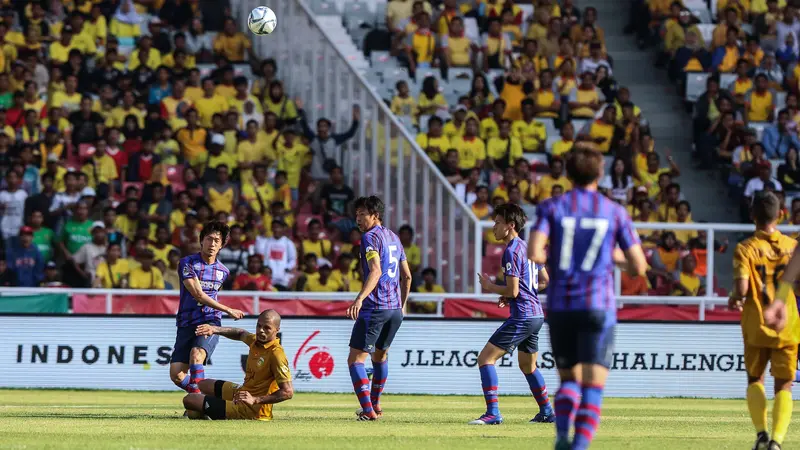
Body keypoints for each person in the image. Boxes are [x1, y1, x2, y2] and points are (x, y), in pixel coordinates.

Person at [528, 148, 647, 450]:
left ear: (567, 174)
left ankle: (561, 437)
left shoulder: (552, 207)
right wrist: (610, 257)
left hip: (561, 305)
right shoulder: (614, 212)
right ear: (600, 173)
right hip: (598, 305)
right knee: (593, 385)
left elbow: (534, 252)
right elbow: (639, 266)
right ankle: (579, 446)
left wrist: (557, 255)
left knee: (568, 381)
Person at [469, 203, 553, 425]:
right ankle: (546, 411)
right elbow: (544, 281)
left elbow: (513, 290)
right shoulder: (528, 248)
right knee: (528, 366)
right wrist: (516, 293)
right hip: (536, 315)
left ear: (510, 225)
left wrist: (490, 286)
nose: (493, 227)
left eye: (497, 222)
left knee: (485, 359)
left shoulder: (511, 251)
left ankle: (493, 413)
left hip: (523, 316)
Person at [729, 191, 799, 450]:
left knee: (755, 379)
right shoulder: (793, 247)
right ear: (781, 214)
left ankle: (761, 436)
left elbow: (742, 289)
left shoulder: (745, 249)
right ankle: (777, 443)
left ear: (752, 216)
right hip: (786, 324)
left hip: (756, 323)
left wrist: (733, 296)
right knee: (784, 384)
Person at [346, 196, 412, 421]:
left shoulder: (369, 238)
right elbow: (407, 276)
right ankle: (376, 406)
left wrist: (359, 299)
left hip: (375, 307)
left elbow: (375, 271)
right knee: (380, 357)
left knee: (355, 360)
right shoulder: (394, 237)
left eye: (362, 214)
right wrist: (401, 306)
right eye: (356, 214)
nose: (358, 219)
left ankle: (368, 411)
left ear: (375, 215)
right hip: (394, 310)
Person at [168, 221, 245, 399]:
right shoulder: (187, 264)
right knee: (177, 375)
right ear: (201, 241)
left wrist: (219, 314)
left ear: (222, 245)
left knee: (197, 355)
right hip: (186, 322)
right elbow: (198, 294)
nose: (212, 244)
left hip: (209, 321)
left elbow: (213, 296)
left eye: (217, 240)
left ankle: (199, 403)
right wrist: (228, 309)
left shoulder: (223, 271)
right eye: (209, 239)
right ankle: (208, 396)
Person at [183, 310, 293, 420]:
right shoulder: (255, 341)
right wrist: (214, 329)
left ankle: (204, 412)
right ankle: (204, 410)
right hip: (243, 393)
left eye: (267, 328)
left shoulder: (276, 354)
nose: (261, 331)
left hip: (252, 410)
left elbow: (287, 392)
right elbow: (240, 333)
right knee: (202, 384)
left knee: (189, 400)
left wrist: (256, 400)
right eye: (259, 326)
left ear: (276, 330)